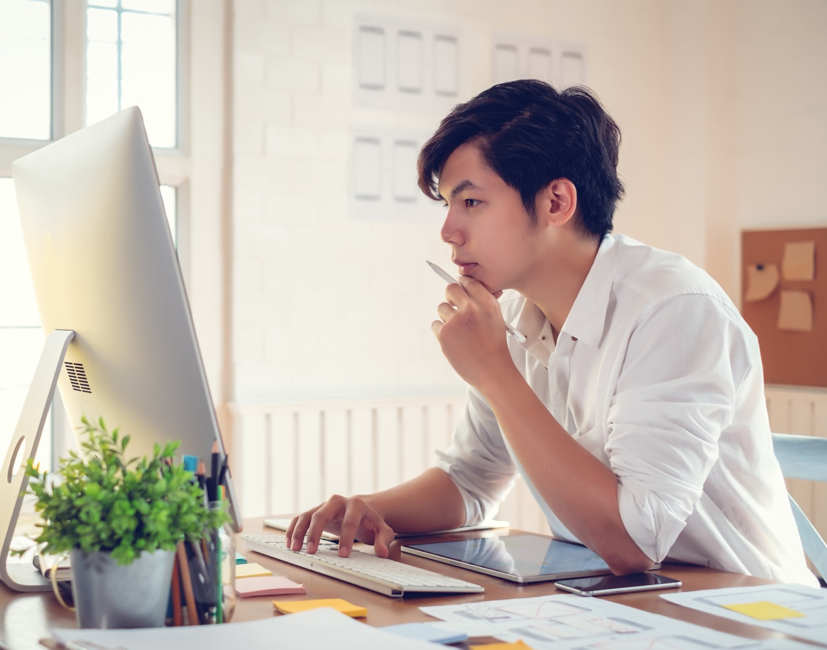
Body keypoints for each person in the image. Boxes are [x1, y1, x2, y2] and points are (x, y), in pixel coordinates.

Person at [287, 79, 817, 587]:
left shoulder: (673, 310)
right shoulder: (517, 315)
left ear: (557, 203)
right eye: (448, 203)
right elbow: (471, 481)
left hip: (747, 614)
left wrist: (495, 374)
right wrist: (369, 511)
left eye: (470, 201)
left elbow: (636, 542)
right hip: (628, 605)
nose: (448, 230)